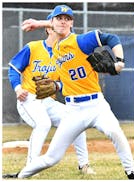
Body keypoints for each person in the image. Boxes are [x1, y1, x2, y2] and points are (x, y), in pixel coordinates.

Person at [2, 4, 134, 180]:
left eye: (67, 19)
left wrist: (119, 62)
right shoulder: (55, 50)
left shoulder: (80, 41)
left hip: (97, 106)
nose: (63, 22)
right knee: (52, 157)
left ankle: (131, 173)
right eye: (59, 18)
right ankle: (20, 176)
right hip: (73, 110)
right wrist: (57, 86)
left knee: (115, 132)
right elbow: (57, 32)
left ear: (72, 23)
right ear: (52, 23)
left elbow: (111, 37)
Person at [6, 12, 95, 175]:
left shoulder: (65, 54)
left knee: (77, 120)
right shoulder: (33, 47)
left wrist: (57, 85)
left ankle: (84, 165)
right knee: (43, 123)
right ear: (48, 28)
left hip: (48, 101)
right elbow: (14, 69)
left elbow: (68, 81)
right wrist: (18, 88)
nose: (60, 29)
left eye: (65, 23)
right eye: (55, 24)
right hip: (29, 99)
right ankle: (30, 167)